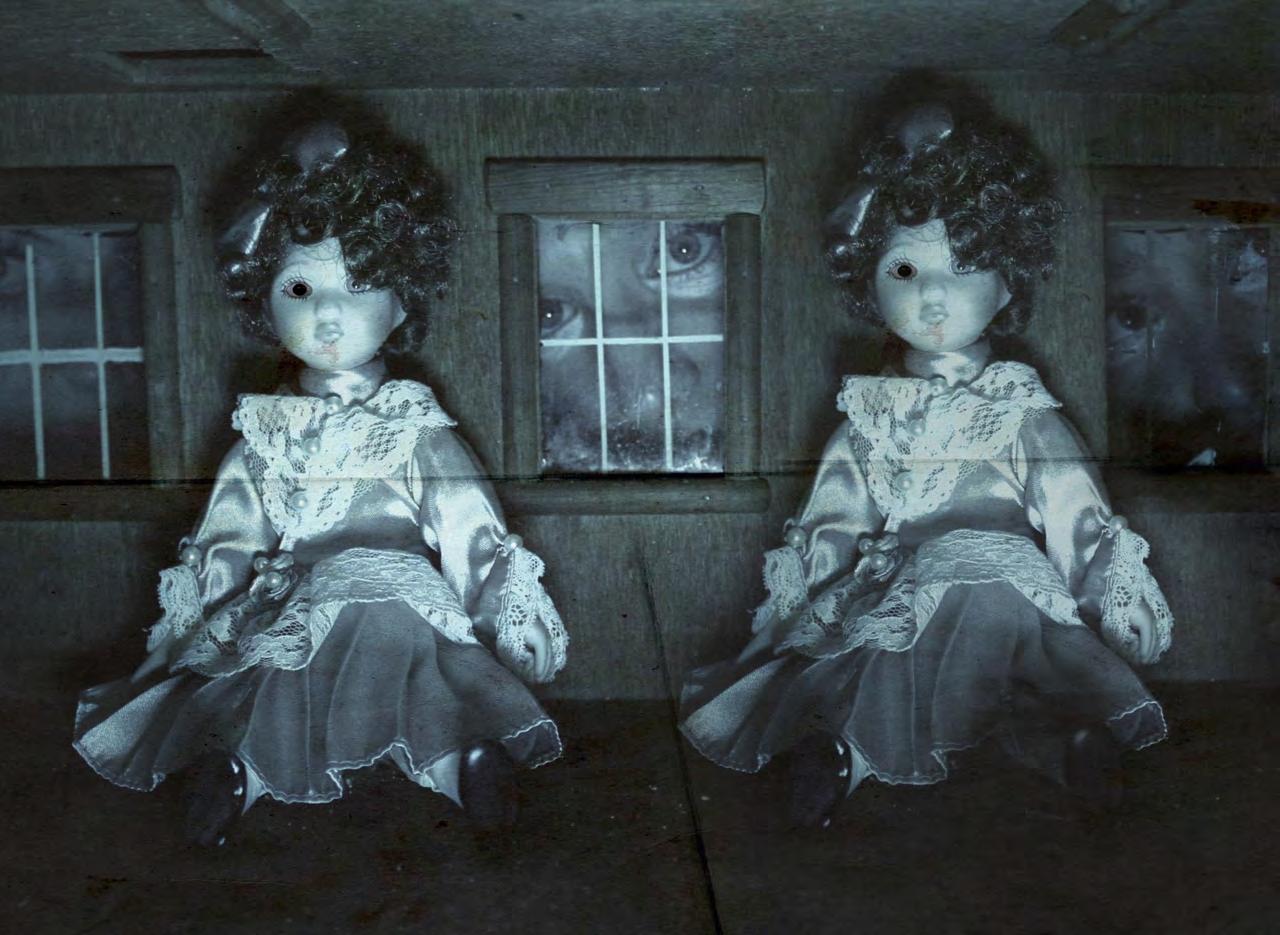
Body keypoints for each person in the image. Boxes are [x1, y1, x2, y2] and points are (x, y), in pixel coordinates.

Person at [679, 85, 1173, 827]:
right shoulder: (869, 413)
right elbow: (834, 519)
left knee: (999, 648)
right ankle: (847, 755)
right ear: (868, 282)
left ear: (1006, 286)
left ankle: (1056, 749)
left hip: (1006, 588)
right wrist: (801, 599)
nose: (933, 298)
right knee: (881, 649)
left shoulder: (1017, 409)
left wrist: (1115, 604)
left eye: (964, 268)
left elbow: (1080, 515)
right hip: (903, 582)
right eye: (904, 271)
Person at [73, 109, 568, 844]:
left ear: (401, 303)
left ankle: (459, 766)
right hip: (299, 592)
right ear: (263, 301)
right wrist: (195, 620)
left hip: (401, 593)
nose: (329, 316)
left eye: (359, 285)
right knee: (273, 669)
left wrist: (506, 621)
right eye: (299, 290)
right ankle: (242, 774)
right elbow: (230, 536)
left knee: (415, 665)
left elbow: (473, 531)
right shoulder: (264, 431)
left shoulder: (413, 427)